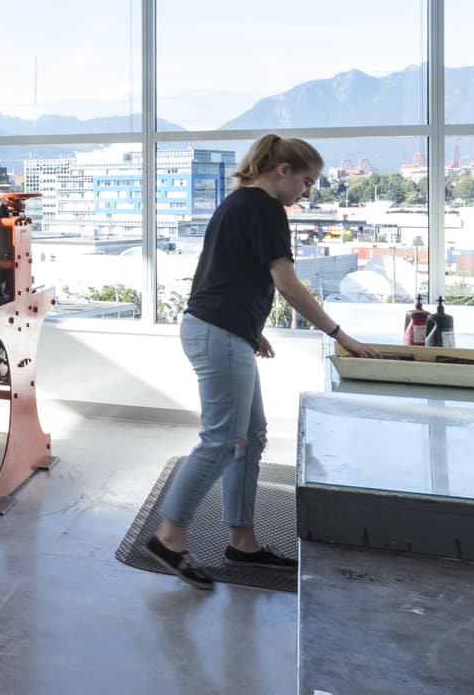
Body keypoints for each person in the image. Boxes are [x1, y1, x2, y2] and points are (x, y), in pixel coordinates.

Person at [143, 132, 374, 589]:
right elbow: (286, 282)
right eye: (306, 182)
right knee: (223, 440)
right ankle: (169, 536)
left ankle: (242, 541)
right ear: (282, 170)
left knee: (250, 436)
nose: (307, 193)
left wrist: (252, 329)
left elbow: (223, 274)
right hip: (218, 335)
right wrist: (339, 333)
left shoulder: (238, 203)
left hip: (223, 330)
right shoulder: (266, 208)